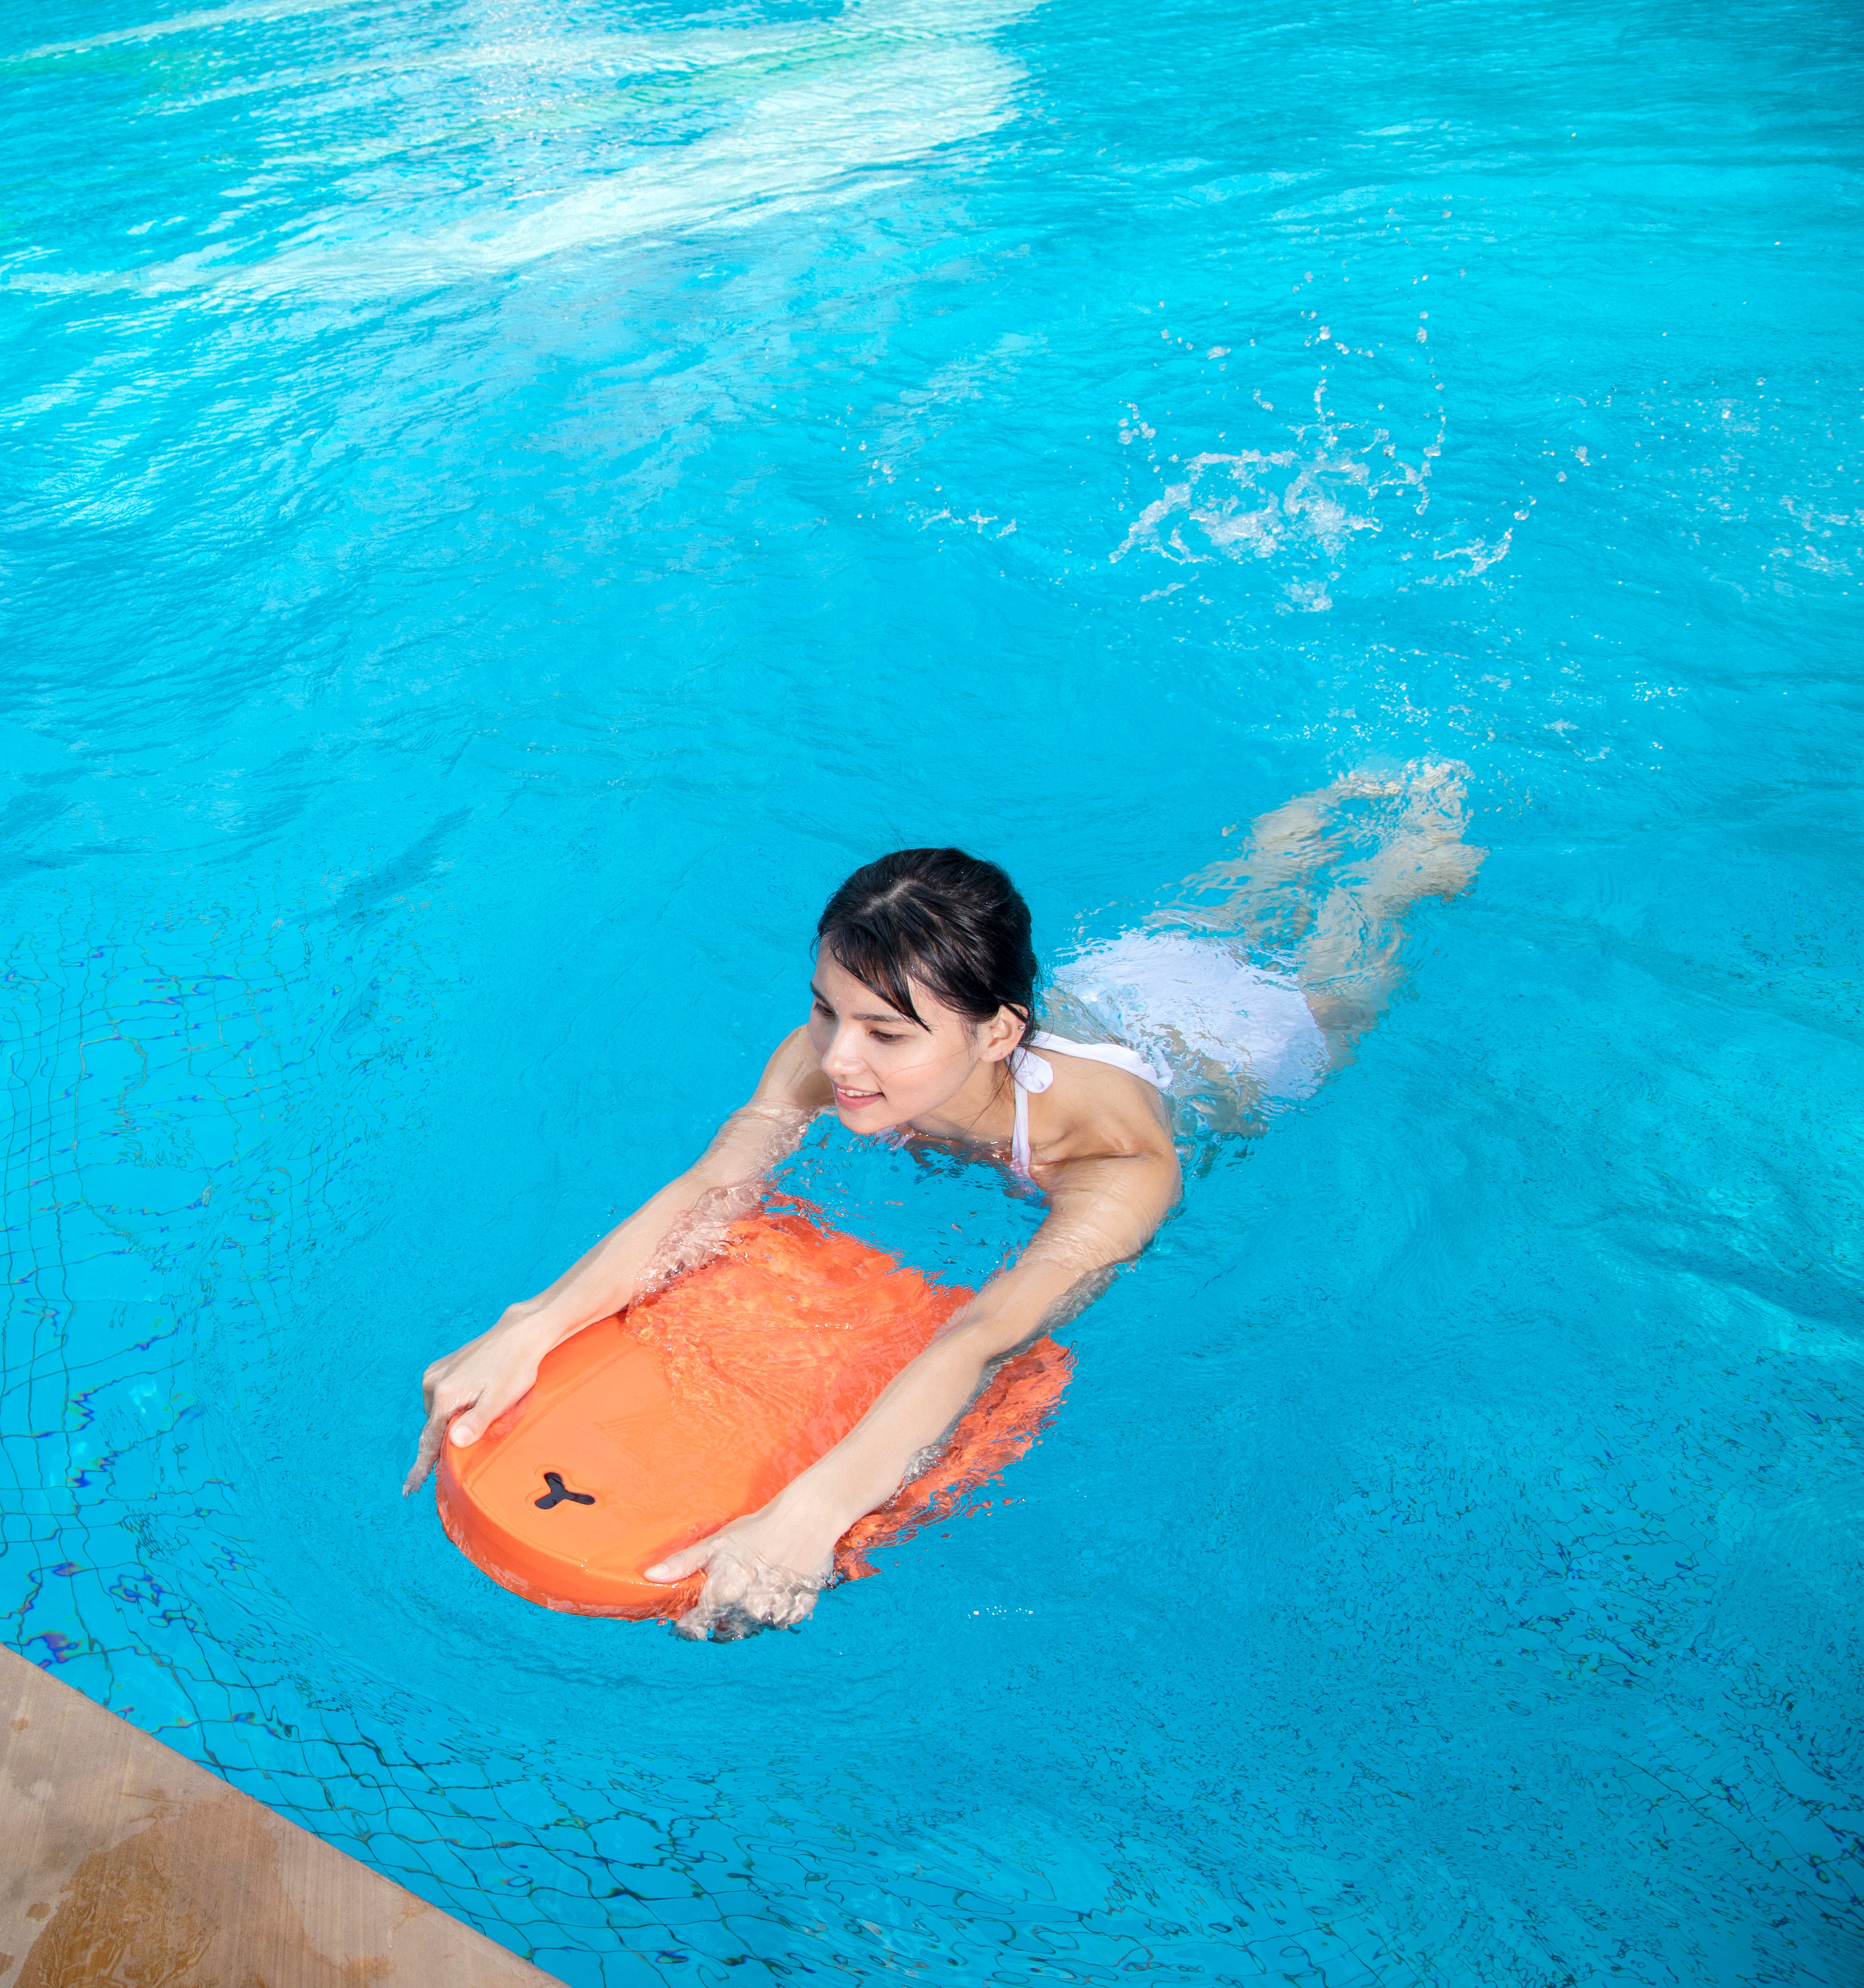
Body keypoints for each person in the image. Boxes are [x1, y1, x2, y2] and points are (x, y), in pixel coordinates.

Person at [404, 764, 1482, 1638]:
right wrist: (534, 1326)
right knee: (1243, 892)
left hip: (1249, 1046)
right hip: (1134, 980)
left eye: (884, 1032)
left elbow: (980, 1337)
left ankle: (1402, 860)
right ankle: (1301, 826)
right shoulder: (857, 1045)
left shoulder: (1118, 1163)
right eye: (827, 1011)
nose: (839, 1057)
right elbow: (712, 1185)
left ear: (998, 1030)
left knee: (1345, 944)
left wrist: (814, 1514)